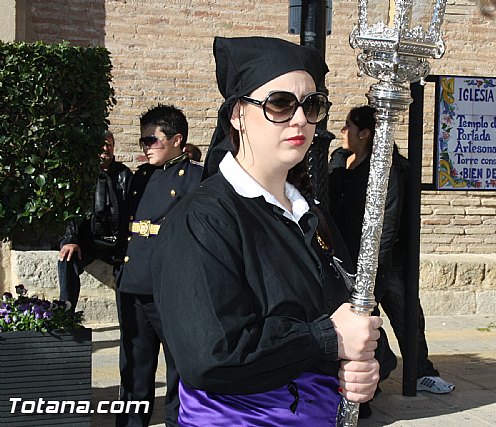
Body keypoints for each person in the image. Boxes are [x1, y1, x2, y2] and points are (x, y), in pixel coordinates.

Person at [152, 36, 381, 425]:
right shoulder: (200, 221)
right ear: (237, 115)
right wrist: (327, 339)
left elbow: (356, 324)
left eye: (313, 105)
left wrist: (366, 367)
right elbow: (212, 356)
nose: (299, 120)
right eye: (279, 103)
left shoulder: (312, 216)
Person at [328, 106, 455, 402]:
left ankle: (421, 372)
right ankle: (378, 370)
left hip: (384, 260)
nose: (342, 132)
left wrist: (376, 264)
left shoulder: (387, 169)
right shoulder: (343, 165)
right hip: (349, 259)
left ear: (365, 133)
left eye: (348, 127)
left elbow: (388, 220)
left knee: (405, 314)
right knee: (361, 318)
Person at [114, 104, 203, 426]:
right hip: (133, 283)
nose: (145, 147)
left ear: (177, 139)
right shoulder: (139, 178)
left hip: (171, 289)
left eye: (152, 140)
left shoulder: (197, 177)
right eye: (143, 141)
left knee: (179, 369)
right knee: (134, 367)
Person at [57, 130, 132, 312]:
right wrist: (71, 240)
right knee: (67, 257)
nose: (105, 148)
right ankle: (66, 313)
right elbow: (70, 210)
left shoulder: (124, 174)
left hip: (116, 243)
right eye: (102, 144)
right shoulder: (81, 174)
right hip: (88, 240)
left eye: (109, 144)